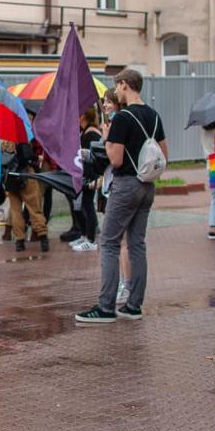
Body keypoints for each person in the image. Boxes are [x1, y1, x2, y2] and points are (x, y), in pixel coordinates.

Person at [76, 70, 167, 323]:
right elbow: (164, 154)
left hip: (126, 184)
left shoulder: (123, 117)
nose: (114, 92)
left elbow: (115, 160)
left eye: (116, 87)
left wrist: (107, 139)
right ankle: (133, 305)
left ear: (124, 85)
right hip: (147, 185)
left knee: (109, 243)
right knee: (137, 244)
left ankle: (105, 307)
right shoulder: (153, 115)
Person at [99, 88, 132, 301]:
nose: (105, 106)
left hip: (120, 185)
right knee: (127, 242)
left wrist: (106, 138)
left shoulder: (119, 123)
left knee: (116, 242)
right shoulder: (119, 122)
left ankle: (124, 286)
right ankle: (128, 285)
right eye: (104, 102)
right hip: (118, 184)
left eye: (109, 102)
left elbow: (115, 159)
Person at [2, 140, 49, 253]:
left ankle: (19, 241)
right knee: (34, 208)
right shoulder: (21, 138)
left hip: (10, 179)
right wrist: (36, 158)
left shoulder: (3, 142)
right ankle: (43, 237)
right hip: (26, 176)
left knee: (15, 211)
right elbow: (27, 156)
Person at [72, 107, 103, 251]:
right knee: (82, 204)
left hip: (90, 176)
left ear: (84, 115)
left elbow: (93, 156)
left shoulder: (91, 133)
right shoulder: (85, 131)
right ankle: (85, 235)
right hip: (86, 175)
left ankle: (90, 239)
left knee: (87, 204)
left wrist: (91, 179)